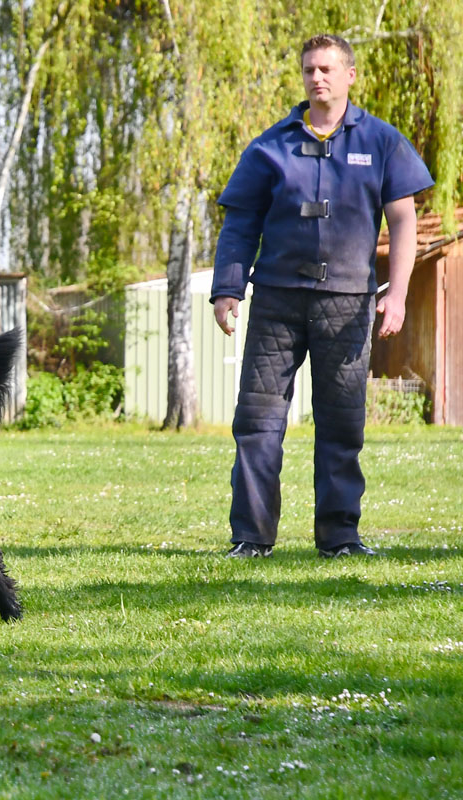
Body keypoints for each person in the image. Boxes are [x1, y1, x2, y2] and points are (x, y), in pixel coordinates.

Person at [211, 34, 433, 558]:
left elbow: (404, 221)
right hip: (277, 303)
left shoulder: (381, 142)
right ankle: (251, 537)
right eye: (310, 69)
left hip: (348, 302)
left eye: (329, 69)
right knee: (258, 421)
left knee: (341, 422)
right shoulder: (270, 146)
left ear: (350, 75)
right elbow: (240, 222)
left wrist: (397, 294)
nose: (318, 78)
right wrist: (227, 290)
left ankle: (339, 537)